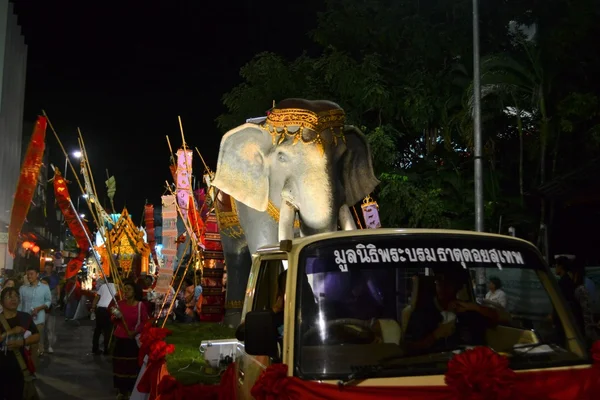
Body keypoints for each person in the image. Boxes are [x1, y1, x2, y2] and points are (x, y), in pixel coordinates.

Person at [404, 270, 500, 355]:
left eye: (449, 283)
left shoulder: (467, 311)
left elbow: (498, 319)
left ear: (457, 287)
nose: (443, 287)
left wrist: (474, 307)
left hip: (467, 366)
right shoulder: (422, 313)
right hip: (432, 367)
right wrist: (435, 335)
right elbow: (409, 348)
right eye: (439, 282)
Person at [0, 286, 40, 400]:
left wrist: (22, 342)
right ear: (1, 302)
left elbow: (36, 336)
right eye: (9, 297)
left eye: (16, 297)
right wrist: (11, 332)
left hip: (20, 367)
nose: (13, 299)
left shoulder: (25, 317)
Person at [110, 280, 148, 400]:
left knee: (132, 365)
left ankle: (132, 390)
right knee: (120, 365)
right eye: (124, 289)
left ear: (135, 292)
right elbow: (113, 318)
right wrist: (116, 315)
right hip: (120, 338)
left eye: (128, 289)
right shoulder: (120, 303)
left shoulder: (140, 305)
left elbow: (144, 321)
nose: (126, 292)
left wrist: (134, 332)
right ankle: (121, 391)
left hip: (133, 340)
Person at [18, 266, 51, 368]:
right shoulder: (23, 288)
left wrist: (39, 308)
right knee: (23, 343)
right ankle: (23, 365)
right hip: (24, 320)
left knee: (34, 343)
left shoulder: (45, 288)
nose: (29, 276)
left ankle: (32, 367)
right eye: (27, 274)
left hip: (38, 320)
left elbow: (48, 301)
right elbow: (19, 304)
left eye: (31, 274)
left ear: (37, 275)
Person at [91, 276, 116, 355]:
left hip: (100, 309)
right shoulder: (117, 287)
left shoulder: (103, 286)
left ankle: (95, 348)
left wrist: (93, 307)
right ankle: (106, 349)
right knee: (108, 330)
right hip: (109, 310)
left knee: (98, 329)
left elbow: (97, 297)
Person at [40, 277, 57, 354]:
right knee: (41, 330)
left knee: (50, 329)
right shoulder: (37, 291)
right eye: (42, 283)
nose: (43, 285)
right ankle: (41, 347)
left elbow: (53, 302)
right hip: (40, 313)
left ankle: (50, 346)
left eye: (45, 283)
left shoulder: (52, 291)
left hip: (50, 313)